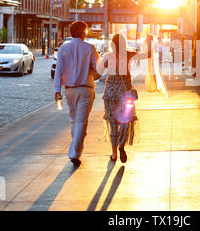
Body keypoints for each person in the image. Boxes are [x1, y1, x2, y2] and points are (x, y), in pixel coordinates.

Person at [96, 34, 151, 163]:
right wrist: (147, 42)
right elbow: (147, 55)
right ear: (123, 44)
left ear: (112, 44)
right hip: (125, 92)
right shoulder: (128, 54)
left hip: (110, 93)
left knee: (113, 123)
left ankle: (114, 154)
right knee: (126, 120)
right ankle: (121, 146)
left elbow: (97, 72)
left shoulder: (107, 57)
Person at [54, 21, 99, 167]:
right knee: (81, 121)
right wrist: (94, 75)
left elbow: (58, 71)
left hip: (69, 90)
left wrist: (57, 91)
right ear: (83, 32)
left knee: (74, 120)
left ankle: (76, 149)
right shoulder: (90, 48)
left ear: (70, 33)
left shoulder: (63, 48)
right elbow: (98, 69)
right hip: (85, 89)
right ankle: (74, 152)